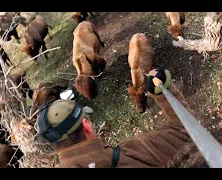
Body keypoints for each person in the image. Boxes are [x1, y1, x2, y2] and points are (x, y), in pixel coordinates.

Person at [35, 67, 204, 168]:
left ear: (53, 144)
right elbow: (184, 128)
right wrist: (162, 91)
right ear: (86, 125)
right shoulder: (131, 155)